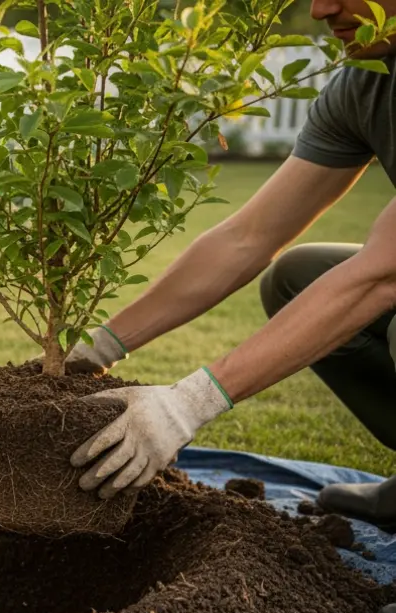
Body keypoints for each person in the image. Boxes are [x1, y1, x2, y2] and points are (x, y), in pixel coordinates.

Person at [65, 0, 396, 528]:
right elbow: (248, 237)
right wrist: (101, 343)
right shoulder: (367, 82)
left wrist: (189, 403)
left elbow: (383, 273)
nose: (320, 9)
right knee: (295, 276)